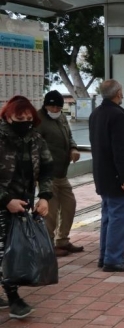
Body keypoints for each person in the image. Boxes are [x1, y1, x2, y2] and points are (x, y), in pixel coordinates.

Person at [0, 96, 54, 319]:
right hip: (4, 202)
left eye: (28, 118)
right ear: (7, 117)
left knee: (15, 247)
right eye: (19, 118)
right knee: (7, 250)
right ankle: (14, 299)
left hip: (23, 204)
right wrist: (5, 200)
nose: (25, 121)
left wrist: (44, 197)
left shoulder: (36, 140)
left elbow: (46, 169)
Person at [89, 79, 124, 272]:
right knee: (119, 218)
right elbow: (120, 151)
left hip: (103, 175)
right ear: (118, 93)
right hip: (117, 177)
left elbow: (104, 142)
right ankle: (113, 259)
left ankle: (106, 255)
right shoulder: (118, 116)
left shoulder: (96, 114)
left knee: (108, 218)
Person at [35, 90, 83, 258]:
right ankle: (48, 244)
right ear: (45, 104)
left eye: (58, 107)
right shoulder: (38, 120)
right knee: (51, 211)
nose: (55, 110)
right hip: (47, 174)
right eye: (52, 106)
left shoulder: (61, 117)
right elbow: (34, 147)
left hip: (62, 173)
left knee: (70, 205)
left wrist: (74, 148)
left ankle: (62, 240)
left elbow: (69, 136)